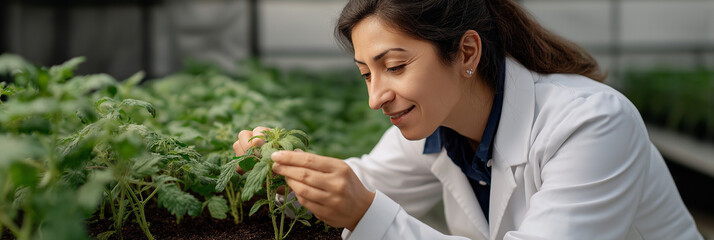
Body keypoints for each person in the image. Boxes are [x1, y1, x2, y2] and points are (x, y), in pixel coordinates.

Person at [233, 0, 704, 239]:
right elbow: (364, 180)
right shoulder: (433, 128)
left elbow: (364, 202)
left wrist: (365, 212)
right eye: (365, 74)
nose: (376, 97)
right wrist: (273, 177)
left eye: (395, 66)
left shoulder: (594, 122)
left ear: (466, 52)